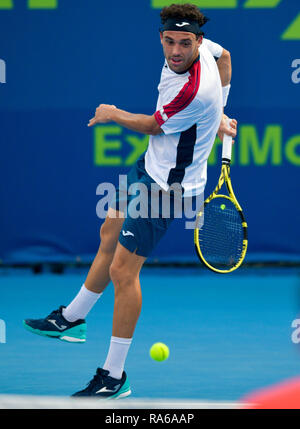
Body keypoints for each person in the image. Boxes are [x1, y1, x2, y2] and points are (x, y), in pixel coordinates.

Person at [23, 3, 237, 399]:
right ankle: (73, 318)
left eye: (185, 44)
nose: (176, 50)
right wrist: (222, 112)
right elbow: (225, 58)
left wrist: (111, 112)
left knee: (124, 272)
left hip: (167, 188)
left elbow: (152, 125)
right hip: (151, 166)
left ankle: (113, 376)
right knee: (109, 229)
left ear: (197, 41)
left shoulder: (194, 90)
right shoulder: (207, 50)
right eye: (170, 41)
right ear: (162, 37)